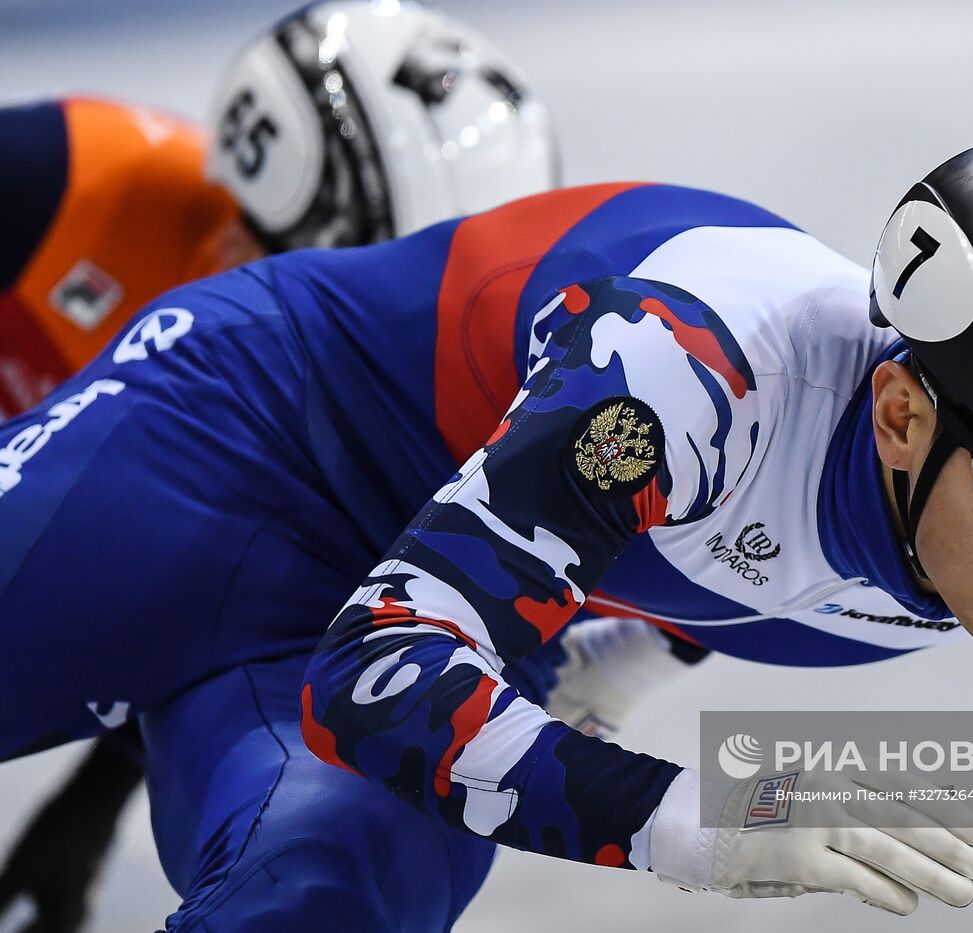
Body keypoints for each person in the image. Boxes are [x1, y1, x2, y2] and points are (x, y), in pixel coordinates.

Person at [0, 132, 973, 929]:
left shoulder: (965, 531)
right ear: (895, 412)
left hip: (427, 587)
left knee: (326, 900)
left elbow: (695, 583)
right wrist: (695, 820)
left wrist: (597, 662)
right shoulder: (687, 372)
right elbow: (379, 679)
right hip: (232, 443)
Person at [0, 2, 561, 929]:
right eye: (312, 275)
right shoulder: (75, 183)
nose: (324, 324)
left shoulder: (388, 409)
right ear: (242, 189)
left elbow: (217, 609)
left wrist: (91, 801)